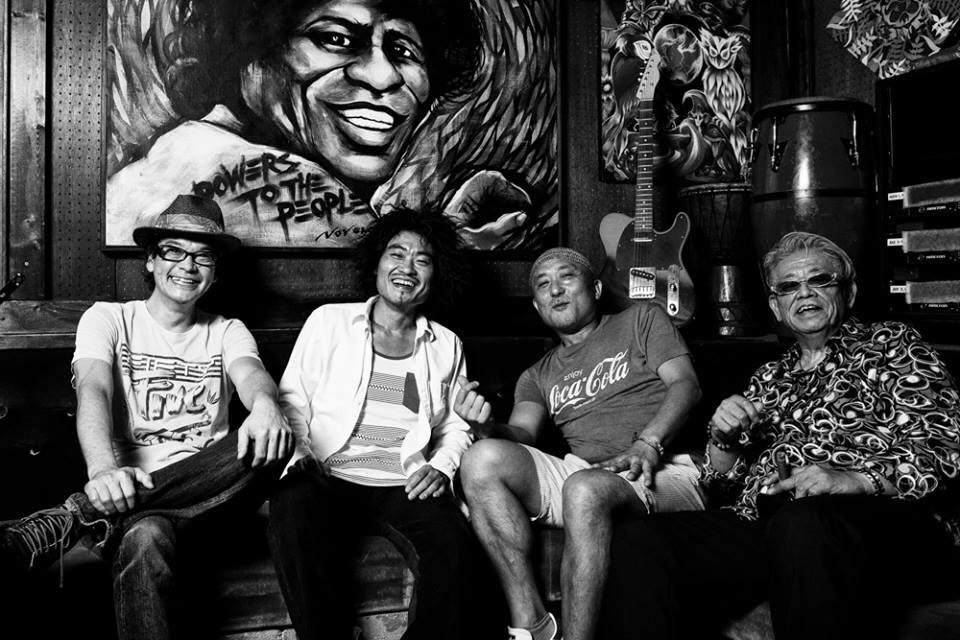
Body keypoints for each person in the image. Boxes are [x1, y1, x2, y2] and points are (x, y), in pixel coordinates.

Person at [600, 231, 960, 640]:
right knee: (640, 539)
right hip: (777, 524)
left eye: (820, 280)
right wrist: (722, 440)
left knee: (804, 522)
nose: (804, 293)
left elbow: (945, 449)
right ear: (776, 305)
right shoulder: (769, 377)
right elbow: (721, 485)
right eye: (789, 286)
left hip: (886, 520)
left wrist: (854, 479)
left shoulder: (892, 344)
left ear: (849, 291)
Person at [0, 194, 293, 639]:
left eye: (203, 256)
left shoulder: (227, 330)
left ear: (215, 273)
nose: (188, 266)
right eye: (174, 251)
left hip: (213, 499)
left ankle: (76, 517)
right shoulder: (109, 319)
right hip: (124, 497)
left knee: (271, 439)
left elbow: (252, 375)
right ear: (151, 261)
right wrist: (103, 470)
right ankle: (103, 512)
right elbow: (94, 389)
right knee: (146, 537)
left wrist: (267, 405)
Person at [267, 209, 501, 640]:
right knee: (291, 504)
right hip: (328, 473)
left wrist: (442, 467)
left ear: (435, 275)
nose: (407, 268)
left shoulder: (446, 344)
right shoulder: (329, 321)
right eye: (396, 254)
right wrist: (301, 456)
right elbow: (292, 402)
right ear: (376, 263)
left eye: (422, 260)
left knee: (454, 544)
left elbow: (456, 426)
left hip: (404, 482)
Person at [105, 0, 507, 247]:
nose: (383, 77)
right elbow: (389, 293)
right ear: (248, 50)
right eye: (336, 39)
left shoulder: (178, 152)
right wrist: (459, 247)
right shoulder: (273, 177)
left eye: (403, 50)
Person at [453, 247, 706, 640]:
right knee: (481, 458)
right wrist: (485, 427)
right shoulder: (536, 375)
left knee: (584, 487)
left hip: (666, 468)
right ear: (537, 306)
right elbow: (522, 435)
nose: (555, 290)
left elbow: (686, 385)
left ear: (597, 289)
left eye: (566, 277)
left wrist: (648, 443)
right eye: (543, 285)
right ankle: (533, 624)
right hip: (586, 473)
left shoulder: (642, 319)